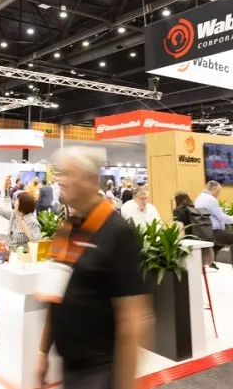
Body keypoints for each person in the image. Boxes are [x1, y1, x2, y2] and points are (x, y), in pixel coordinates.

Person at [36, 147, 152, 389]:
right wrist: (42, 352)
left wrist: (126, 384)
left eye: (68, 174)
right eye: (60, 173)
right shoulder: (69, 228)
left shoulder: (116, 232)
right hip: (70, 366)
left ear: (90, 180)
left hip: (101, 370)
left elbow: (133, 317)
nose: (60, 180)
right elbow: (56, 294)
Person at [195, 181, 233, 275]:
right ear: (213, 189)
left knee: (221, 240)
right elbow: (224, 218)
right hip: (213, 231)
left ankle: (211, 260)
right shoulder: (211, 199)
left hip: (204, 231)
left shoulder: (199, 198)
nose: (218, 194)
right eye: (218, 191)